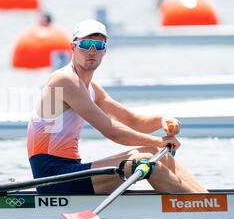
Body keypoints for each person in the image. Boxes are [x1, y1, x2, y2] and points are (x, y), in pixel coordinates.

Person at [27, 19, 207, 195]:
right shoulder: (63, 80)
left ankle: (205, 198)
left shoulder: (92, 88)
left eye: (98, 46)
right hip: (52, 179)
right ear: (73, 47)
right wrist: (159, 141)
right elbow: (111, 131)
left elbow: (132, 121)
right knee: (144, 159)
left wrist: (162, 120)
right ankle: (203, 208)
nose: (92, 51)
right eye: (86, 44)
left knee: (153, 152)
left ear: (104, 51)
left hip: (71, 170)